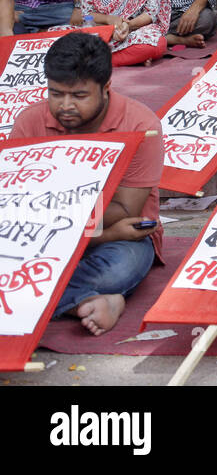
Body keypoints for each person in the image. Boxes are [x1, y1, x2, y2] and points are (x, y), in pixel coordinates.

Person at [11, 32, 163, 335]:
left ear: (106, 88)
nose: (65, 105)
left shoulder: (141, 125)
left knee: (117, 270)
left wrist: (96, 235)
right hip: (42, 238)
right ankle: (82, 302)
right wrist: (100, 235)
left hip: (122, 239)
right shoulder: (29, 121)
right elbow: (17, 207)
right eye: (56, 94)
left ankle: (30, 296)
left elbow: (124, 211)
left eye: (79, 96)